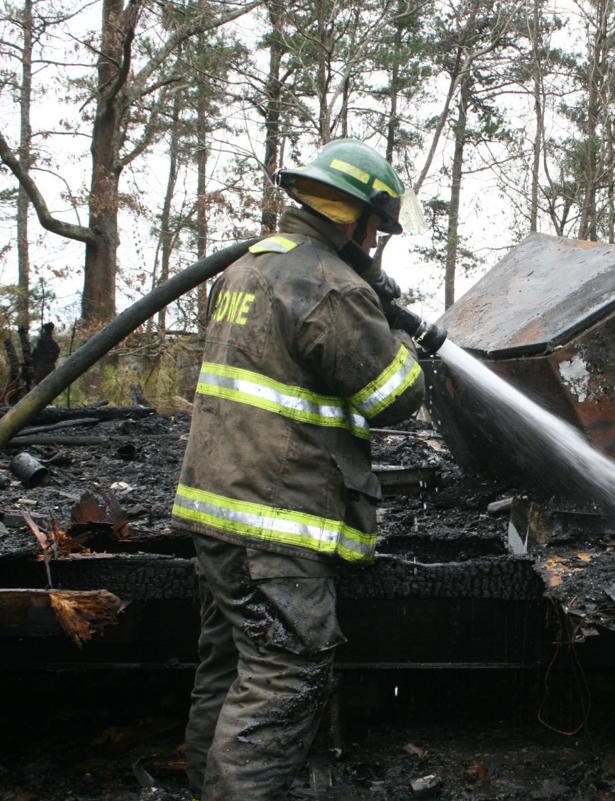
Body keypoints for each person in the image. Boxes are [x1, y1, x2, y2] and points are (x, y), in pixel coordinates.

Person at [172, 138, 426, 801]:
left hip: (220, 505)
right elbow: (391, 396)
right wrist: (400, 339)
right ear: (356, 215)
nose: (377, 244)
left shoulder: (253, 266)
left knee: (229, 668)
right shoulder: (330, 285)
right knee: (284, 674)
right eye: (378, 228)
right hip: (274, 520)